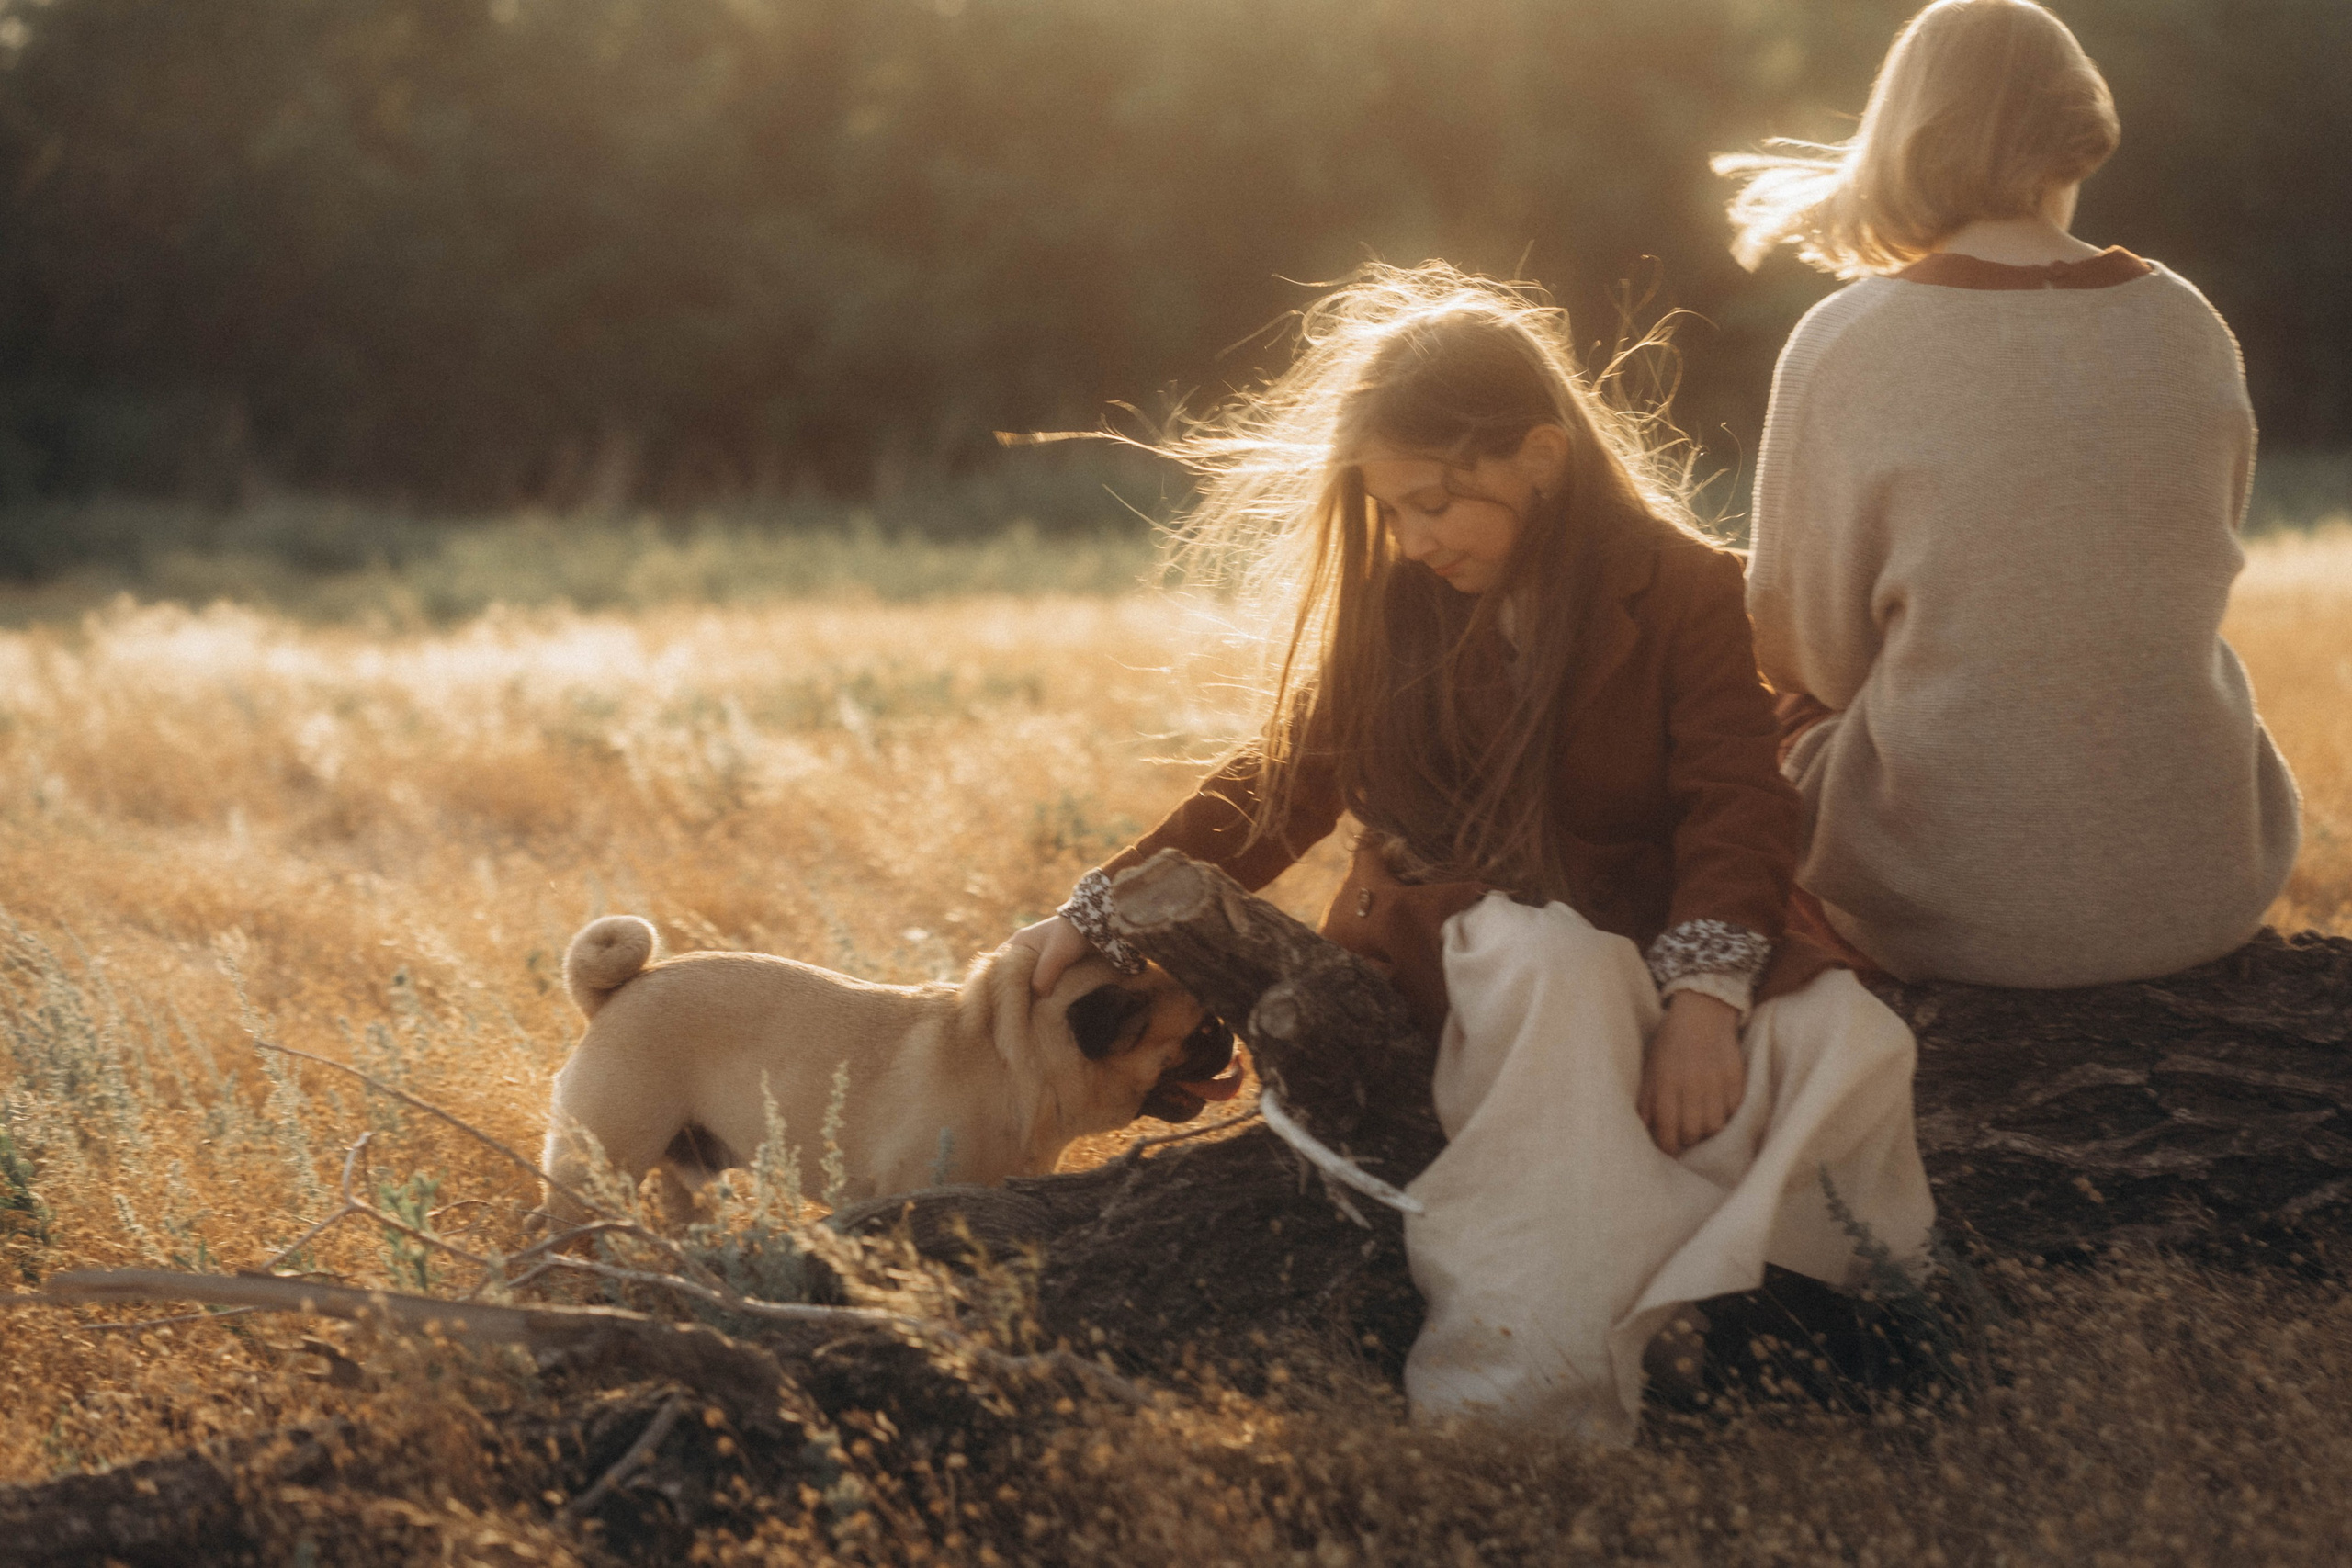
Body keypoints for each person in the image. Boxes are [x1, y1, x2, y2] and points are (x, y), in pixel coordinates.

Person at [1008, 264, 1933, 1442]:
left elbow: (1736, 801)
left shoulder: (1684, 587)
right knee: (1558, 973)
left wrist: (1706, 1002)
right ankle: (1522, 1400)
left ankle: (1808, 1342)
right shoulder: (1399, 603)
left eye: (1435, 503)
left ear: (1540, 457)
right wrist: (1093, 912)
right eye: (1391, 510)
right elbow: (1284, 783)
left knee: (1845, 1037)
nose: (1411, 539)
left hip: (1648, 934)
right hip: (1457, 939)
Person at [1715, 0, 2301, 988]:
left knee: (1747, 723)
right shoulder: (2189, 323)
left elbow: (1806, 649)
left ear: (1905, 133)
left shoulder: (1845, 340)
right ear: (2078, 131)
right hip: (2205, 881)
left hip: (1954, 914)